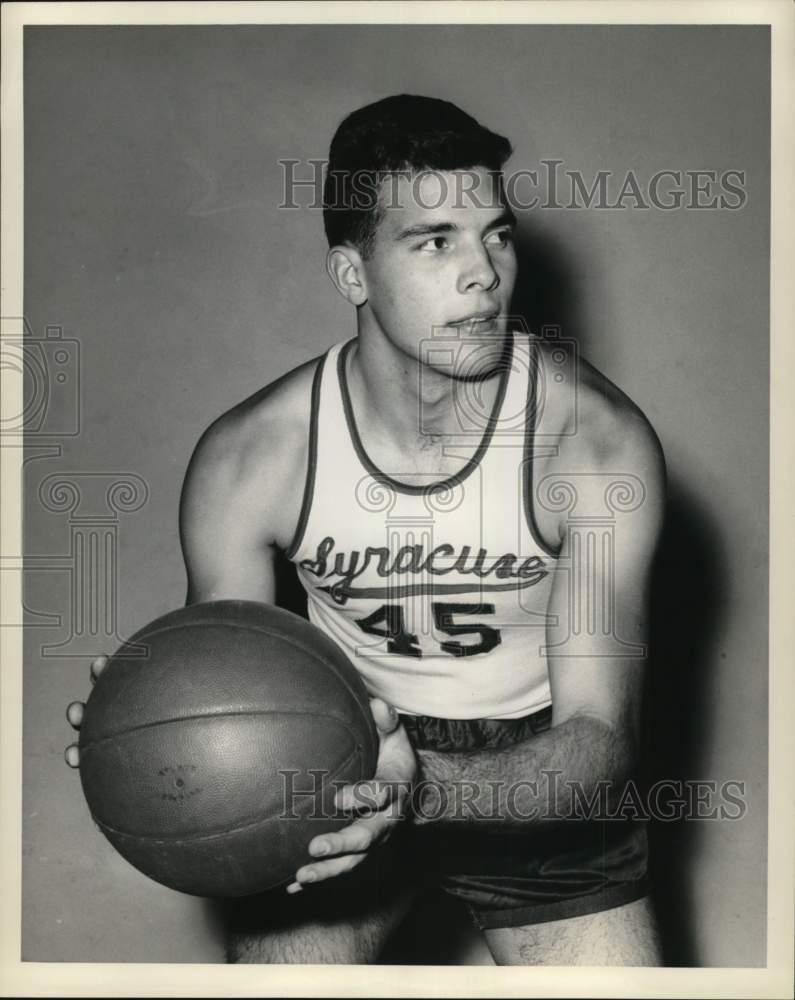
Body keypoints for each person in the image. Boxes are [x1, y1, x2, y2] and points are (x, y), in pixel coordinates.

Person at [65, 94, 666, 965]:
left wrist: (417, 786)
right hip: (336, 746)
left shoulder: (590, 442)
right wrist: (152, 731)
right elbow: (232, 672)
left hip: (538, 775)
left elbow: (600, 741)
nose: (483, 275)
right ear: (352, 274)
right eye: (434, 242)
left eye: (495, 234)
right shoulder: (252, 459)